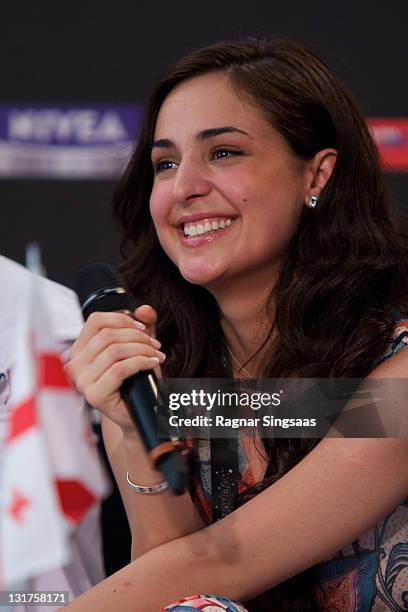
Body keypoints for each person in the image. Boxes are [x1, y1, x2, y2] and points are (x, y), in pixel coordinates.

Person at [65, 38, 408, 611]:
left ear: (316, 175)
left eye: (223, 152)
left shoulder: (397, 380)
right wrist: (130, 430)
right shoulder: (157, 366)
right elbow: (168, 578)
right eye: (165, 163)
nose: (184, 188)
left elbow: (225, 562)